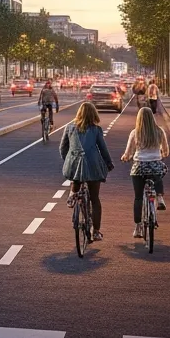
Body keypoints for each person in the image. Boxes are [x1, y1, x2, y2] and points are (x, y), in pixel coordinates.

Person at [60, 102, 113, 240]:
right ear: (93, 114)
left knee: (76, 176)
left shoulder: (69, 127)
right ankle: (96, 231)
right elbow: (103, 149)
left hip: (75, 164)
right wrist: (109, 163)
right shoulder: (96, 130)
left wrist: (68, 160)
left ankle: (72, 195)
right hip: (93, 166)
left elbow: (62, 148)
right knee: (95, 199)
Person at [120, 105, 169, 238]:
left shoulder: (135, 133)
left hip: (139, 166)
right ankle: (159, 197)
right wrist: (160, 155)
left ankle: (138, 228)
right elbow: (166, 151)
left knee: (138, 197)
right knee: (159, 171)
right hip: (154, 165)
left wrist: (125, 157)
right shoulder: (160, 132)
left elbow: (128, 152)